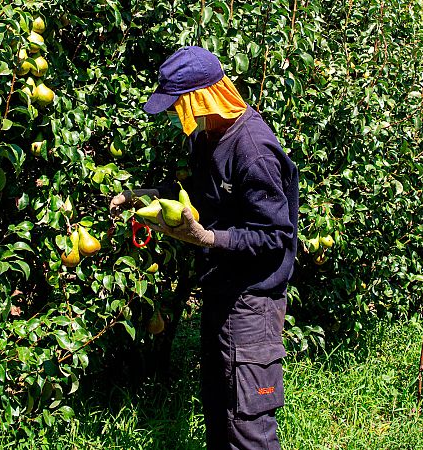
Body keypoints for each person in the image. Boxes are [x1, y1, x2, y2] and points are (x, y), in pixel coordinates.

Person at [110, 46, 298, 449]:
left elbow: (274, 237)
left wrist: (209, 239)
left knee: (248, 427)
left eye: (180, 103)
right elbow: (197, 194)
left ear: (202, 96)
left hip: (253, 302)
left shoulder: (253, 149)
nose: (179, 114)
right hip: (221, 293)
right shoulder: (209, 138)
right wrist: (140, 195)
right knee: (219, 410)